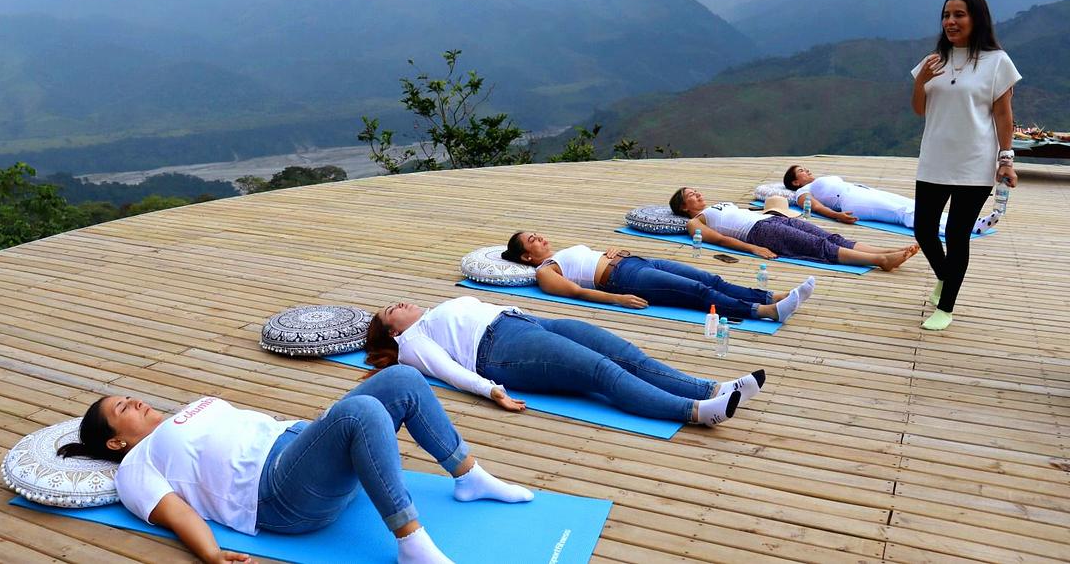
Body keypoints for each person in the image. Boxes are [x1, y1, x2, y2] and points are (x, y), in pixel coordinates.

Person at [58, 365, 534, 564]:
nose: (134, 401)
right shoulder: (136, 466)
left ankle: (469, 476)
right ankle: (411, 543)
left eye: (129, 396)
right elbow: (175, 512)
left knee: (402, 378)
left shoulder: (187, 410)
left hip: (303, 449)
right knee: (362, 412)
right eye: (122, 408)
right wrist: (210, 554)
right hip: (280, 494)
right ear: (116, 441)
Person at [367, 295, 768, 427]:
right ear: (392, 332)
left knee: (625, 353)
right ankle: (695, 411)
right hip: (499, 352)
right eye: (390, 311)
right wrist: (491, 391)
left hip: (525, 322)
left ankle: (714, 389)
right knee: (600, 371)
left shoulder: (433, 312)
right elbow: (448, 371)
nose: (398, 305)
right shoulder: (412, 343)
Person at [910, 0, 1021, 330]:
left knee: (956, 235)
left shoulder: (997, 61)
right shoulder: (933, 61)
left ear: (977, 19)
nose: (951, 21)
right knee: (923, 230)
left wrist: (1006, 159)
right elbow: (919, 109)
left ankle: (946, 307)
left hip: (974, 162)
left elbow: (1003, 115)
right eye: (946, 15)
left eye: (959, 15)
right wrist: (922, 81)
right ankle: (947, 277)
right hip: (934, 159)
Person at [500, 231, 816, 323]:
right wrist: (617, 299)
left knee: (711, 278)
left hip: (635, 262)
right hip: (624, 279)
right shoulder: (545, 271)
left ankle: (772, 296)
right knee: (697, 291)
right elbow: (575, 292)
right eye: (533, 240)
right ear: (526, 257)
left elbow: (585, 261)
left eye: (538, 234)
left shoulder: (559, 254)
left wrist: (611, 251)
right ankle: (765, 312)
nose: (541, 238)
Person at [669, 187, 918, 270]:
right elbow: (719, 240)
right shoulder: (695, 221)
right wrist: (754, 249)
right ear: (683, 207)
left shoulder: (718, 205)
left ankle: (885, 251)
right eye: (691, 195)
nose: (697, 194)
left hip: (773, 219)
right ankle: (879, 260)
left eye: (696, 191)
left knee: (831, 237)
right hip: (759, 233)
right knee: (819, 246)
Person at [782, 165, 1000, 236]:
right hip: (851, 201)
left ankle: (969, 224)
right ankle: (957, 231)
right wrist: (837, 216)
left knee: (916, 205)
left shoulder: (814, 182)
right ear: (795, 182)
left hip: (860, 191)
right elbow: (813, 206)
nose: (806, 170)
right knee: (902, 212)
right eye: (801, 171)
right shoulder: (802, 192)